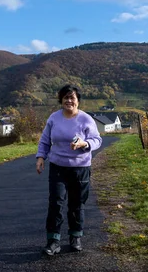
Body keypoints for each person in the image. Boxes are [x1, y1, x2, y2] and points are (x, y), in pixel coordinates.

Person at [35, 84, 102, 255]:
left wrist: (84, 143)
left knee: (77, 203)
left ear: (78, 101)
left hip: (80, 168)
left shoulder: (86, 119)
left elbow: (97, 140)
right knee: (55, 202)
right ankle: (53, 241)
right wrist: (41, 157)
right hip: (58, 167)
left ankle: (75, 237)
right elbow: (45, 140)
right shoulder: (54, 118)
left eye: (72, 97)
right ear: (61, 100)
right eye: (66, 97)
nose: (69, 101)